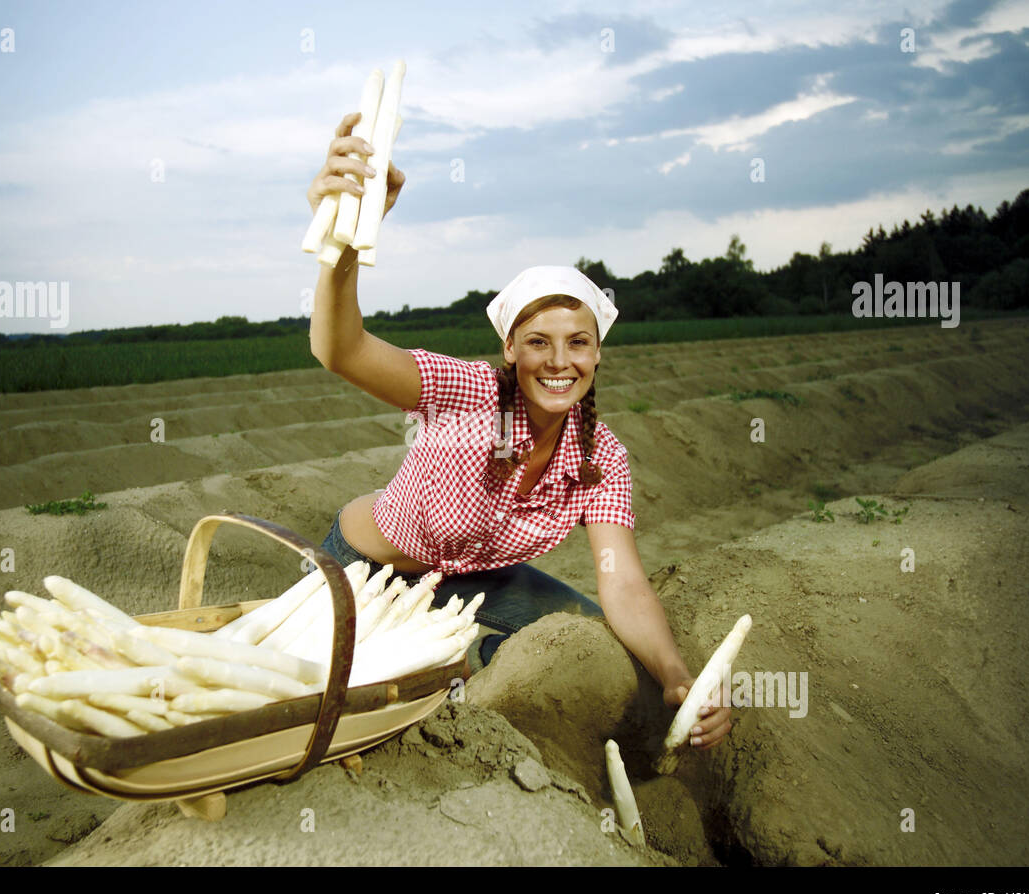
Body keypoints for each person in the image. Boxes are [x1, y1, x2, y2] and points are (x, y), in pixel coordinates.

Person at [304, 112, 730, 750]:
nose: (559, 362)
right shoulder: (468, 393)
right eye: (538, 342)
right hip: (368, 569)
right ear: (509, 348)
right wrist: (345, 240)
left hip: (473, 582)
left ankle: (476, 673)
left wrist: (676, 677)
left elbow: (621, 579)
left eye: (577, 343)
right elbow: (340, 348)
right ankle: (443, 675)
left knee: (588, 635)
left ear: (597, 354)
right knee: (336, 699)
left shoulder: (600, 458)